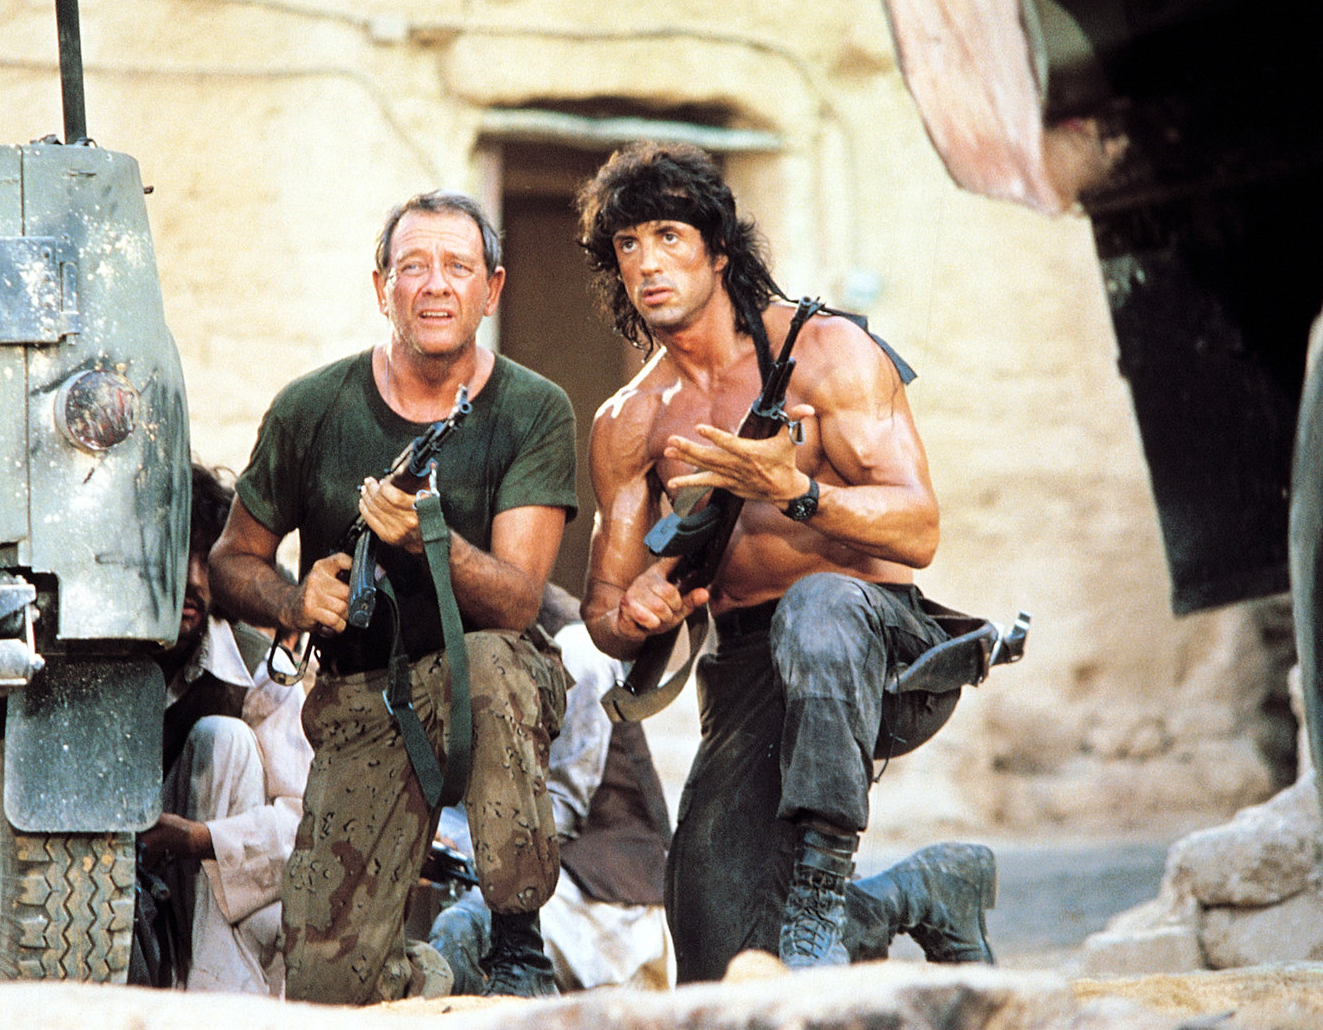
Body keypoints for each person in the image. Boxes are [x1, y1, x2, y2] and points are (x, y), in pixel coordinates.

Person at [575, 141, 997, 979]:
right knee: (716, 963)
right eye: (628, 244)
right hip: (749, 666)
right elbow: (604, 614)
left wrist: (798, 493)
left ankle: (821, 889)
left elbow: (918, 530)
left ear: (718, 252)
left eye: (668, 236)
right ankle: (921, 893)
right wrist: (637, 613)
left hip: (882, 648)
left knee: (819, 606)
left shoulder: (826, 351)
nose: (648, 263)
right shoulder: (630, 420)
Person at [208, 191, 578, 1004]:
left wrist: (428, 535)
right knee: (327, 988)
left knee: (491, 661)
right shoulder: (312, 408)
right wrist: (294, 602)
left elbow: (519, 604)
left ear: (493, 289)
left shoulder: (533, 409)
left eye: (458, 267)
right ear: (383, 288)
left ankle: (517, 940)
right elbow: (231, 560)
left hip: (488, 684)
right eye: (413, 267)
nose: (436, 285)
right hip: (361, 697)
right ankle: (439, 975)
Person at [429, 583, 676, 993]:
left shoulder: (580, 648)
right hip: (547, 885)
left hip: (608, 910)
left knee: (463, 934)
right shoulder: (457, 648)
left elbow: (561, 807)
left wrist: (458, 839)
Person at [135, 461, 312, 995]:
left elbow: (305, 824)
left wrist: (199, 840)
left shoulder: (260, 668)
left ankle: (221, 995)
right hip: (115, 900)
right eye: (177, 555)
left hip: (224, 903)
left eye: (207, 561)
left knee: (224, 739)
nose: (193, 581)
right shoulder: (94, 661)